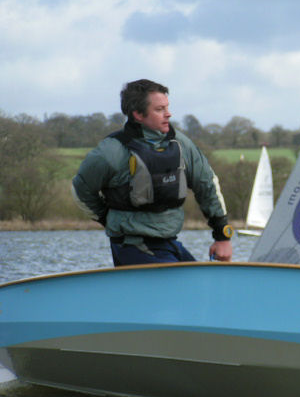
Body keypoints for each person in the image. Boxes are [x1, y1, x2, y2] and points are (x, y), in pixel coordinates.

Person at [72, 79, 233, 266]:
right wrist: (105, 217)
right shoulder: (111, 152)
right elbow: (80, 189)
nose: (168, 114)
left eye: (167, 107)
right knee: (185, 288)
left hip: (169, 242)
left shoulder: (181, 144)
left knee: (202, 283)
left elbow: (207, 184)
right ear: (138, 114)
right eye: (159, 110)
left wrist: (222, 236)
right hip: (131, 246)